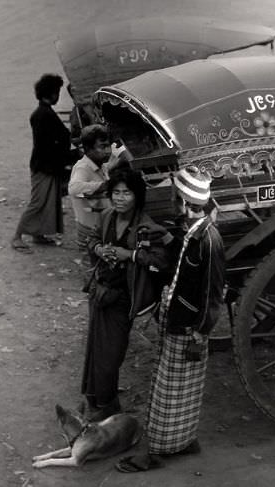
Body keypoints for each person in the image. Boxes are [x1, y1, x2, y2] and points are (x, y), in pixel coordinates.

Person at [117, 166, 225, 473]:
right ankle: (184, 440)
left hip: (188, 326)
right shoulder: (190, 233)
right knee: (181, 389)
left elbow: (213, 294)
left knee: (167, 391)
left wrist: (201, 332)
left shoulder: (208, 241)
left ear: (187, 204)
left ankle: (154, 451)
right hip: (178, 318)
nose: (174, 204)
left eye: (177, 199)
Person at [81, 168, 174, 422]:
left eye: (126, 193)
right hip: (101, 292)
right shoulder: (107, 217)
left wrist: (129, 255)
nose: (120, 199)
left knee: (111, 355)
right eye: (116, 193)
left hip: (124, 297)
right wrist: (100, 249)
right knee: (96, 350)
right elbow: (89, 240)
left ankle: (108, 406)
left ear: (137, 197)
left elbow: (161, 261)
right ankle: (96, 400)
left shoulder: (146, 228)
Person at [11, 74, 72, 252]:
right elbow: (49, 143)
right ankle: (17, 236)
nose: (58, 96)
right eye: (57, 92)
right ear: (52, 93)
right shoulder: (43, 115)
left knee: (47, 200)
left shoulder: (43, 113)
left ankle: (38, 234)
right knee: (38, 202)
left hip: (46, 165)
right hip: (44, 166)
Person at [67, 124, 111, 258]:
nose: (107, 150)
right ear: (89, 149)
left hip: (98, 226)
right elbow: (73, 189)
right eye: (102, 147)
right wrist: (102, 186)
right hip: (88, 228)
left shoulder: (101, 165)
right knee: (90, 263)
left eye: (107, 146)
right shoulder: (83, 167)